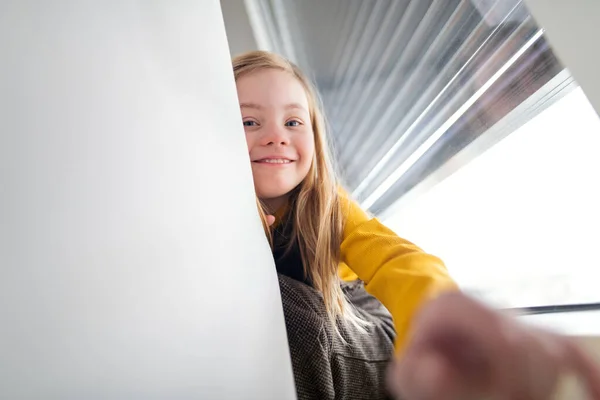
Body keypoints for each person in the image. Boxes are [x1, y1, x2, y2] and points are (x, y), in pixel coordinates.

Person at [232, 50, 600, 400]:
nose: (276, 136)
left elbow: (398, 261)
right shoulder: (218, 211)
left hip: (357, 306)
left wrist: (443, 322)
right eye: (250, 121)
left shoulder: (328, 203)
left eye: (293, 122)